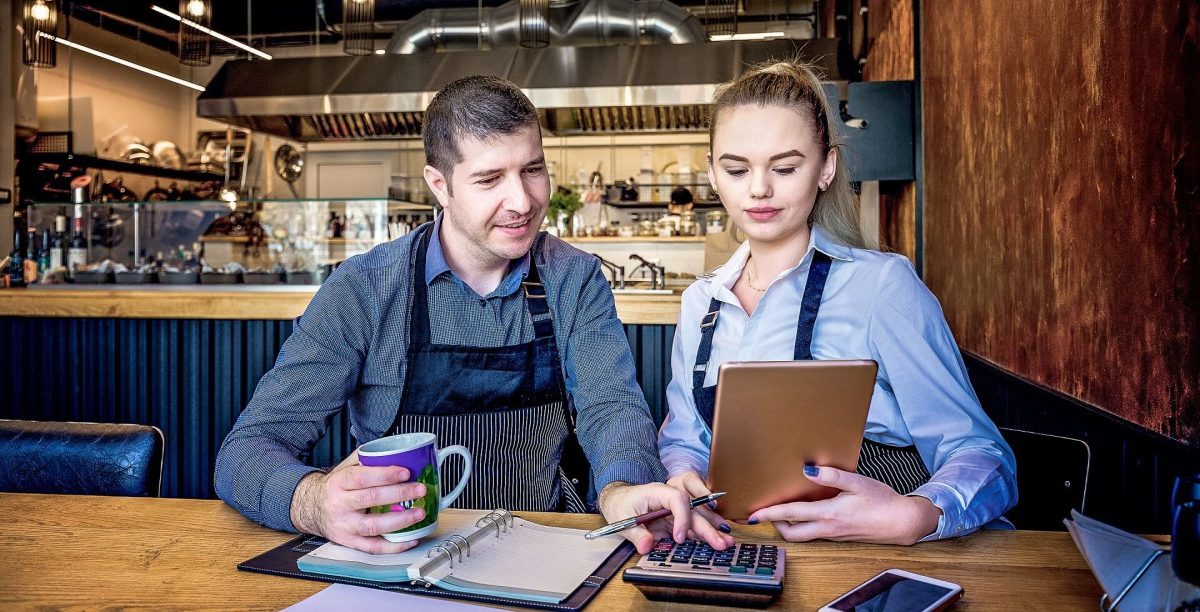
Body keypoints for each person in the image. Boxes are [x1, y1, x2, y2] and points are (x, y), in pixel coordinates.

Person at [215, 75, 732, 555]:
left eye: (532, 169)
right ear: (439, 185)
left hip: (542, 551)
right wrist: (315, 501)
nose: (523, 201)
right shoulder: (365, 289)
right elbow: (247, 451)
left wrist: (622, 488)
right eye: (489, 179)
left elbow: (611, 408)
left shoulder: (573, 278)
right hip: (402, 560)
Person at [658, 61, 1017, 545]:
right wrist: (682, 475)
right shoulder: (700, 303)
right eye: (736, 168)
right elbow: (684, 440)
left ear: (825, 168)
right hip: (746, 547)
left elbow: (982, 453)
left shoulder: (882, 286)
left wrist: (917, 516)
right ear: (712, 175)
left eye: (785, 168)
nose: (759, 188)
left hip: (874, 555)